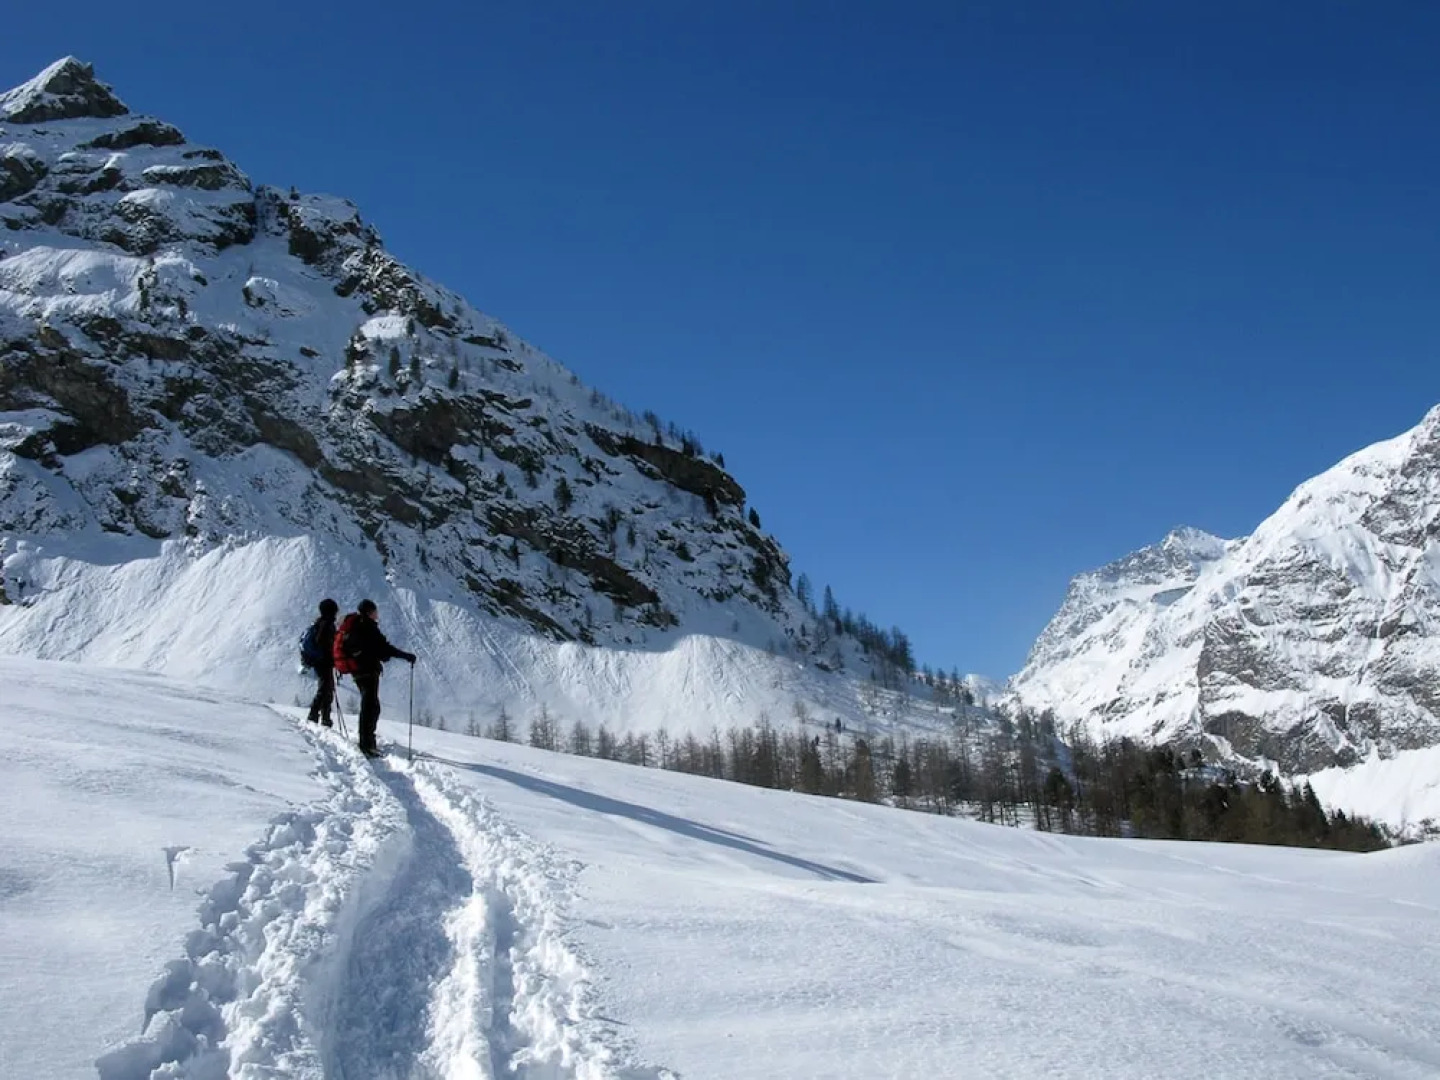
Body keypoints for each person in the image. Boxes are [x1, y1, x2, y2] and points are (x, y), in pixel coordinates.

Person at [334, 598, 416, 757]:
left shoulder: (356, 625)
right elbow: (383, 648)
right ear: (369, 612)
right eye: (375, 611)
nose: (377, 614)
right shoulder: (367, 627)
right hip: (367, 670)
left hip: (359, 671)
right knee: (370, 707)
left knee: (371, 705)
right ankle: (366, 744)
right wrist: (405, 656)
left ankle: (367, 741)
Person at [305, 598, 340, 727]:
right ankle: (315, 715)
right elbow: (324, 643)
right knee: (325, 688)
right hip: (324, 661)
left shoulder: (321, 623)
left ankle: (324, 717)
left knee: (327, 688)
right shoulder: (326, 624)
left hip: (321, 661)